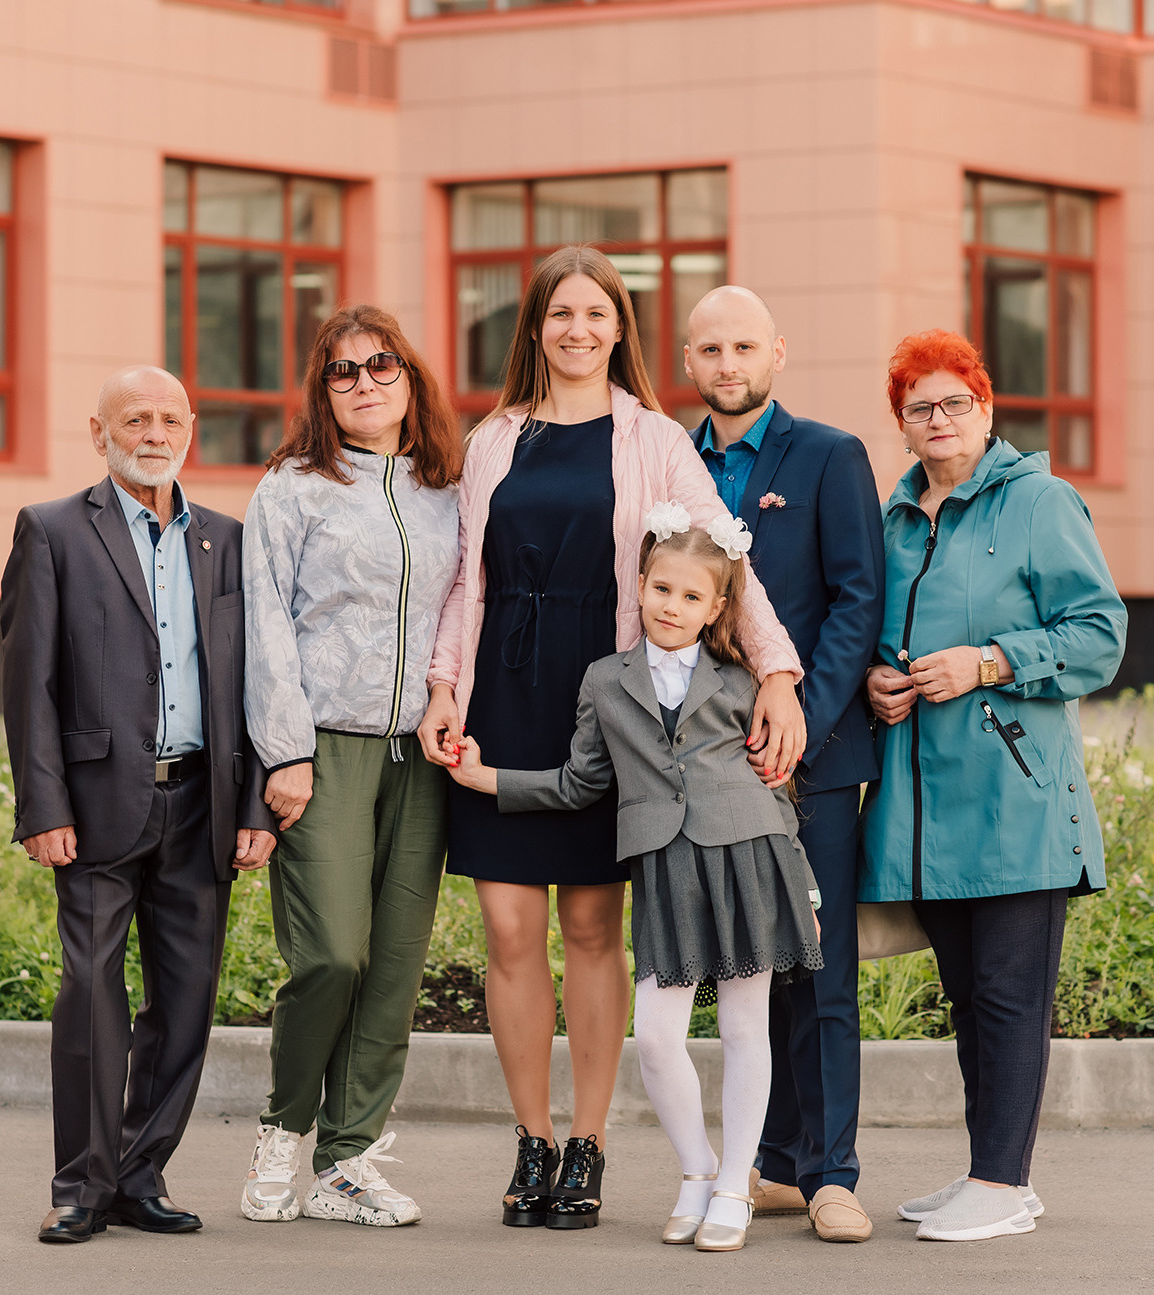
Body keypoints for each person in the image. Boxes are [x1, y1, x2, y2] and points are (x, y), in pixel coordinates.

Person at [418, 246, 808, 1231]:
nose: (578, 329)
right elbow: (467, 576)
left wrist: (777, 670)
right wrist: (442, 687)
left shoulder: (652, 437)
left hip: (606, 704)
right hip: (501, 688)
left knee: (591, 927)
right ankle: (533, 1139)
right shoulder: (493, 436)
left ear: (618, 328)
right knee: (508, 930)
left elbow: (725, 553)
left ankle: (588, 1142)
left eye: (597, 312)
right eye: (561, 313)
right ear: (536, 328)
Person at [447, 510, 824, 1253]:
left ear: (718, 607)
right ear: (639, 585)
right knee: (655, 1036)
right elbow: (581, 779)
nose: (671, 606)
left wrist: (799, 876)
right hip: (667, 865)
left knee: (747, 1026)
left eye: (691, 597)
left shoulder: (745, 679)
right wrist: (486, 778)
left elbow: (779, 787)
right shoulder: (606, 680)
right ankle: (697, 1169)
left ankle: (733, 1185)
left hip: (749, 852)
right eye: (661, 588)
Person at [859, 330, 1126, 1243]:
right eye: (919, 407)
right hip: (925, 805)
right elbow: (875, 636)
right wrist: (877, 681)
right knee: (970, 997)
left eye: (954, 402)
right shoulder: (895, 520)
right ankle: (989, 1171)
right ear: (901, 423)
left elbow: (1099, 634)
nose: (938, 420)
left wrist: (991, 660)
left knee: (1012, 996)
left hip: (1014, 795)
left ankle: (1002, 1183)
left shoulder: (1040, 502)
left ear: (985, 407)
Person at [1, 365, 278, 1245]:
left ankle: (139, 1172)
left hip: (203, 799)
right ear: (99, 433)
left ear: (191, 427)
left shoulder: (227, 540)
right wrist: (42, 805)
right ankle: (81, 1183)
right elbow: (29, 685)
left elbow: (253, 683)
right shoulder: (50, 531)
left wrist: (257, 808)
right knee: (91, 989)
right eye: (135, 418)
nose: (154, 432)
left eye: (169, 418)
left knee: (187, 999)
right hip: (92, 803)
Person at [236, 307, 462, 1228]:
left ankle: (346, 1161)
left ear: (412, 377)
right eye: (344, 372)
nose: (366, 382)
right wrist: (283, 752)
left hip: (423, 754)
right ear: (321, 392)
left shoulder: (449, 486)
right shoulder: (292, 487)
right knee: (331, 952)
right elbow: (264, 626)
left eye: (383, 364)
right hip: (323, 747)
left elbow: (465, 606)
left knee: (396, 966)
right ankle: (284, 1132)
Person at [681, 286, 885, 1243]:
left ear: (778, 353)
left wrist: (801, 706)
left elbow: (857, 599)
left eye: (744, 347)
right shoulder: (671, 460)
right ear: (691, 360)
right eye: (712, 348)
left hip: (816, 752)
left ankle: (833, 1172)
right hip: (708, 762)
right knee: (749, 966)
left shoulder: (831, 456)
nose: (729, 364)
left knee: (822, 963)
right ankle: (770, 1162)